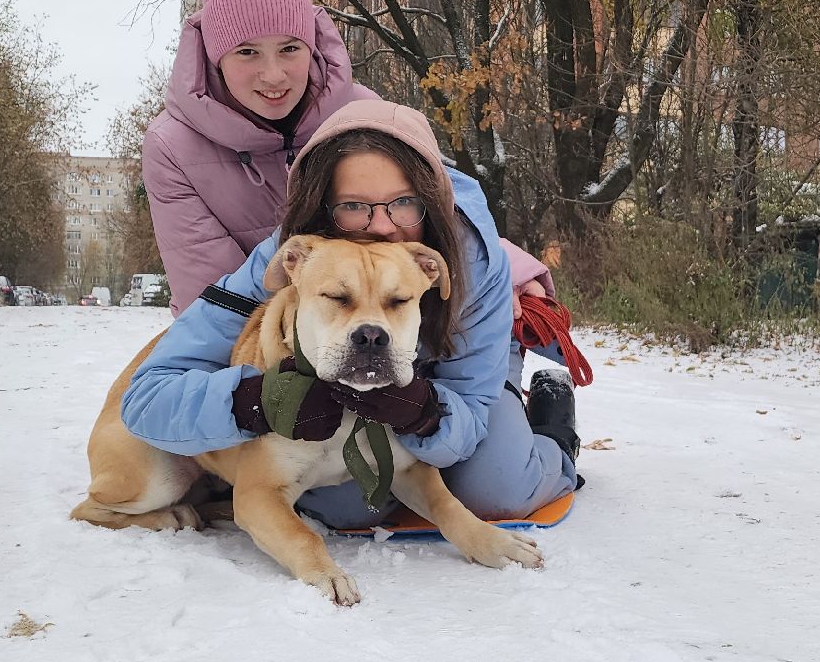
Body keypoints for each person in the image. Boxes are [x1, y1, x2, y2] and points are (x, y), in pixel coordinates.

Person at [120, 100, 578, 530]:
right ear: (322, 206)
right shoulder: (287, 261)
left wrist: (426, 414)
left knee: (496, 488)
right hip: (354, 388)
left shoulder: (473, 262)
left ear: (431, 200)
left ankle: (554, 431)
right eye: (354, 206)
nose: (381, 225)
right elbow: (146, 401)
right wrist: (250, 401)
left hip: (463, 379)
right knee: (345, 505)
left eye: (403, 202)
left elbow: (471, 406)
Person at [143, 0, 376, 314]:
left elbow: (442, 221)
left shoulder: (362, 114)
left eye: (289, 48)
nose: (273, 75)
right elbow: (216, 304)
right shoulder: (173, 147)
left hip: (375, 332)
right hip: (249, 347)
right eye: (247, 52)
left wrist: (514, 269)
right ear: (217, 59)